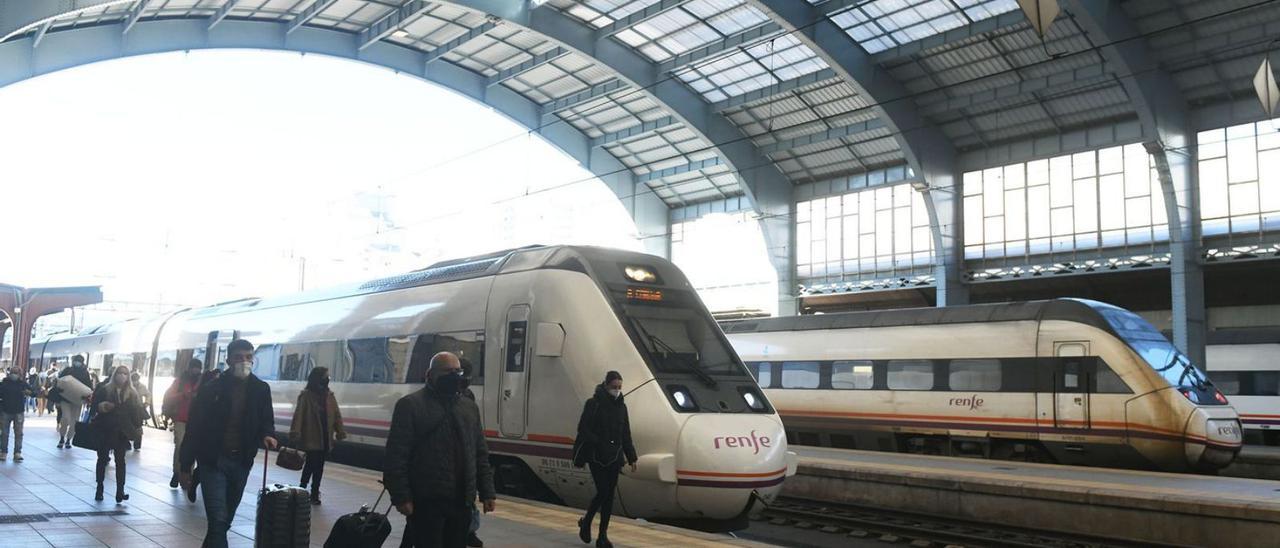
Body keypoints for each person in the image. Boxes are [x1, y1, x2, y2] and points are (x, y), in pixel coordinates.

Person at [384, 352, 495, 548]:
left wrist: (487, 492)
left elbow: (479, 452)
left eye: (457, 371)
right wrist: (401, 497)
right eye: (447, 371)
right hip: (426, 500)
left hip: (461, 500)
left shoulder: (469, 408)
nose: (453, 376)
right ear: (430, 374)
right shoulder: (410, 405)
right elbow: (396, 455)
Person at [179, 339, 277, 548]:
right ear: (228, 360)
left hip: (241, 462)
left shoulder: (260, 390)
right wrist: (185, 465)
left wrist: (268, 435)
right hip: (213, 461)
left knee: (224, 522)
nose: (244, 362)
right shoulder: (212, 389)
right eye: (239, 358)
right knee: (218, 520)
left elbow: (266, 421)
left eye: (249, 357)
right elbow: (194, 428)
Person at [575, 371, 638, 548]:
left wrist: (631, 456)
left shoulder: (622, 407)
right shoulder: (593, 404)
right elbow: (583, 428)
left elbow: (626, 433)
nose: (617, 391)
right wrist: (599, 442)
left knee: (609, 496)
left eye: (619, 387)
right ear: (606, 385)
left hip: (614, 457)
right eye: (614, 387)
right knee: (603, 491)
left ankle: (602, 535)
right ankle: (586, 522)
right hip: (596, 456)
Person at [289, 367, 346, 505]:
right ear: (318, 378)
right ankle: (303, 489)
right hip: (311, 436)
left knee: (319, 466)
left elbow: (336, 415)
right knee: (310, 464)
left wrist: (339, 431)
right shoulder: (306, 396)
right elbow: (299, 415)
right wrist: (295, 432)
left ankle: (314, 492)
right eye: (326, 376)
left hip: (325, 437)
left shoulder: (329, 395)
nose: (328, 379)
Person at [88, 365, 144, 503]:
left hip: (121, 431)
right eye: (120, 373)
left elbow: (136, 413)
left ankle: (120, 491)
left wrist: (137, 428)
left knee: (120, 461)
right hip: (105, 429)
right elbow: (94, 406)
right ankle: (99, 487)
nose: (122, 376)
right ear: (115, 374)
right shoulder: (105, 389)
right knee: (102, 459)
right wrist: (102, 407)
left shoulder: (132, 393)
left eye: (125, 374)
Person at [163, 359, 203, 488]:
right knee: (180, 445)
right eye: (194, 367)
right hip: (181, 418)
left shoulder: (203, 382)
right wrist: (183, 395)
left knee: (192, 448)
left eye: (198, 368)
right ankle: (177, 472)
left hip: (197, 421)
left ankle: (187, 475)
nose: (196, 370)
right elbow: (169, 397)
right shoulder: (180, 382)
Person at [56, 355, 93, 448]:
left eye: (79, 361)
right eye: (76, 361)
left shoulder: (85, 373)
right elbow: (59, 382)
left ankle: (68, 439)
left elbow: (89, 387)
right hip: (65, 399)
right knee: (66, 418)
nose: (77, 363)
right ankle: (62, 437)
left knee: (74, 421)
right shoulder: (68, 370)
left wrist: (88, 398)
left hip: (78, 401)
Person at [0, 368, 33, 462]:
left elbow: (34, 392)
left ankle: (17, 453)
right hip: (5, 411)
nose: (14, 374)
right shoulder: (4, 383)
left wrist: (29, 393)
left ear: (20, 374)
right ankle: (3, 452)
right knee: (4, 433)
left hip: (18, 411)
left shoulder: (23, 384)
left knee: (18, 433)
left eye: (16, 373)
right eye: (13, 372)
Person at [130, 371, 149, 450]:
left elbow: (148, 395)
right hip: (129, 409)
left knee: (138, 426)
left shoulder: (142, 387)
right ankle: (127, 442)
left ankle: (137, 444)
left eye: (136, 380)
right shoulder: (128, 386)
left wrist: (146, 403)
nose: (135, 382)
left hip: (138, 409)